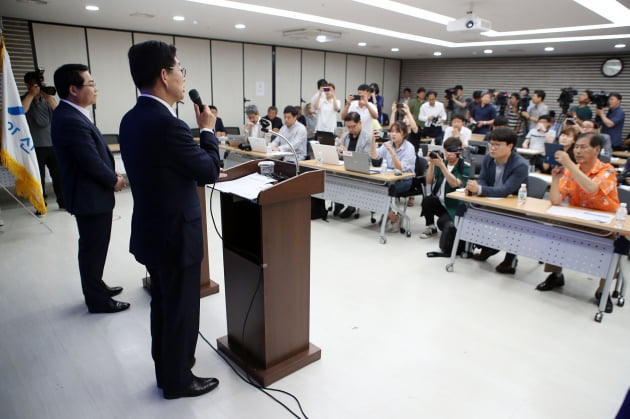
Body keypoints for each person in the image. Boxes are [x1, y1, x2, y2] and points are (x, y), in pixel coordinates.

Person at [119, 40, 221, 399]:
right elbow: (208, 170)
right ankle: (178, 380)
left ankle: (167, 370)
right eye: (180, 69)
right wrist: (208, 131)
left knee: (163, 306)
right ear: (164, 75)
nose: (182, 77)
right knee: (180, 310)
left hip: (152, 231)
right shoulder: (169, 125)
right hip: (176, 234)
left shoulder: (130, 119)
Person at [50, 63, 128, 313]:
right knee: (93, 248)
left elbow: (93, 154)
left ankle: (96, 286)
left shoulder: (72, 113)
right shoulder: (69, 118)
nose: (96, 89)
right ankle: (97, 300)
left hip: (92, 194)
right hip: (89, 196)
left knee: (95, 246)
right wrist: (113, 179)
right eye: (91, 84)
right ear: (73, 89)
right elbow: (89, 160)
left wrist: (111, 172)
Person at [536, 133, 619, 313]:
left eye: (583, 147)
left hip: (606, 223)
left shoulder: (608, 170)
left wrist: (569, 164)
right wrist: (556, 179)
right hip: (578, 218)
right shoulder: (570, 170)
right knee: (555, 232)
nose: (578, 151)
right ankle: (555, 274)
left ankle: (603, 290)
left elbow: (591, 189)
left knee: (616, 245)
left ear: (597, 150)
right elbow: (556, 201)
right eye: (576, 147)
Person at [466, 127, 529, 274]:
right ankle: (488, 247)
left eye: (497, 145)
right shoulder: (489, 158)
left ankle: (510, 258)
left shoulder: (520, 165)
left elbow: (506, 189)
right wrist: (477, 186)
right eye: (491, 144)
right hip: (491, 200)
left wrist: (480, 190)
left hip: (513, 205)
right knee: (471, 210)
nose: (492, 148)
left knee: (514, 223)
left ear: (510, 146)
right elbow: (482, 178)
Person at [21, 71, 64, 211]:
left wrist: (48, 96)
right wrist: (31, 95)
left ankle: (63, 202)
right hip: (34, 147)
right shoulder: (24, 99)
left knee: (58, 176)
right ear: (28, 85)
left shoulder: (47, 100)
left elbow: (59, 112)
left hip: (53, 144)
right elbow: (21, 110)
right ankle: (40, 205)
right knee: (38, 178)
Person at [420, 137, 470, 238]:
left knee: (442, 224)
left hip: (454, 206)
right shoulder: (441, 163)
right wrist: (432, 164)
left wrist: (442, 166)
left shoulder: (465, 167)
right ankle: (431, 227)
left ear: (459, 151)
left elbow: (454, 184)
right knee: (427, 200)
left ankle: (449, 224)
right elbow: (429, 181)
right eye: (446, 150)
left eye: (452, 150)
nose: (448, 153)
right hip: (440, 202)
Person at [369, 121, 416, 231]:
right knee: (372, 188)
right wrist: (372, 141)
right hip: (389, 178)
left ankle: (392, 216)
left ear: (403, 134)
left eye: (396, 132)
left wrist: (392, 152)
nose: (393, 134)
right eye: (391, 131)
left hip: (404, 180)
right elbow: (375, 156)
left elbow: (400, 168)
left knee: (383, 191)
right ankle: (391, 215)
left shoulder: (409, 148)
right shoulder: (389, 144)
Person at [334, 112, 372, 218]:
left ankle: (351, 206)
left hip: (361, 169)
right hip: (346, 167)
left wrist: (347, 153)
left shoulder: (367, 137)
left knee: (350, 180)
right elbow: (341, 154)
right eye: (348, 127)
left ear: (360, 123)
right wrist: (340, 151)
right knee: (332, 177)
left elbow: (366, 157)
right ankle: (338, 202)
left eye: (353, 126)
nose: (351, 129)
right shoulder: (346, 136)